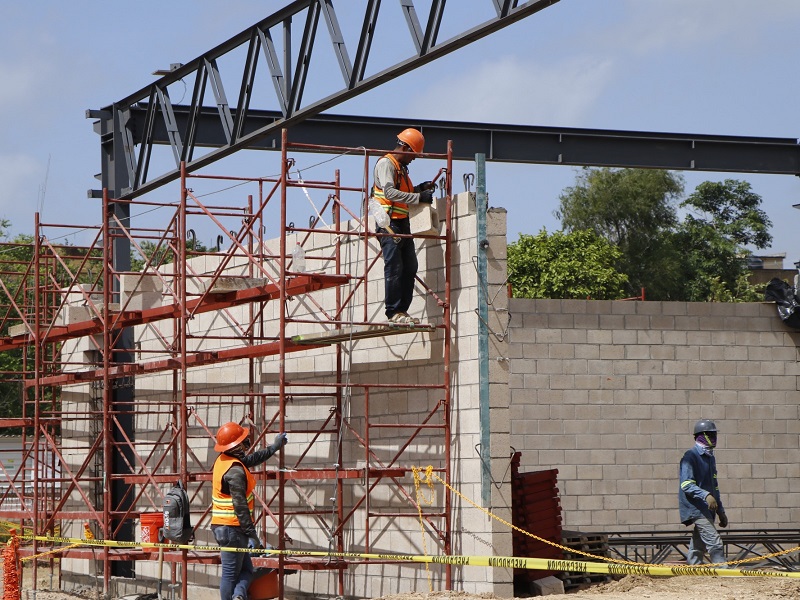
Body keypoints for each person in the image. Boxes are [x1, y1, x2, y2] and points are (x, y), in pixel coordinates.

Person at [211, 422, 288, 600]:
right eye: (244, 441)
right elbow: (241, 507)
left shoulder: (224, 460)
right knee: (230, 574)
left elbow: (252, 459)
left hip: (226, 528)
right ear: (235, 446)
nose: (247, 444)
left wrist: (274, 447)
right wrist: (252, 535)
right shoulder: (235, 472)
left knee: (247, 570)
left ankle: (238, 596)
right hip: (233, 529)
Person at [372, 127, 435, 324]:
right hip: (389, 225)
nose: (414, 159)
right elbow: (390, 193)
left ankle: (402, 311)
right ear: (405, 148)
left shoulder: (401, 169)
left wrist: (419, 189)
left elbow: (401, 194)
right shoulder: (386, 164)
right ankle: (393, 312)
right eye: (413, 154)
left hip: (403, 224)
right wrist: (418, 197)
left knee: (410, 267)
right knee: (394, 267)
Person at [678, 419, 728, 567]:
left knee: (697, 546)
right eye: (710, 435)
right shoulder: (690, 456)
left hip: (708, 510)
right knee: (715, 542)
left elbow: (715, 488)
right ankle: (724, 572)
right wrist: (705, 495)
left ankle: (693, 571)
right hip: (697, 508)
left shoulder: (710, 458)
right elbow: (686, 484)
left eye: (714, 435)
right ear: (701, 436)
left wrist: (720, 511)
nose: (714, 438)